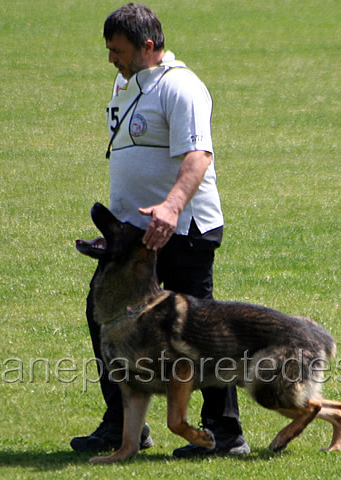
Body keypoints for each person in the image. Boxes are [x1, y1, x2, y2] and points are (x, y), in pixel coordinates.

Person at [70, 3, 250, 458]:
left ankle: (225, 433)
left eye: (118, 50)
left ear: (147, 46)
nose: (111, 57)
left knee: (202, 331)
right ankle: (122, 426)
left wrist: (170, 207)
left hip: (183, 227)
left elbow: (198, 157)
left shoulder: (182, 88)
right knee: (107, 317)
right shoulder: (126, 82)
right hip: (134, 234)